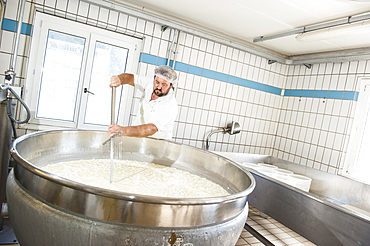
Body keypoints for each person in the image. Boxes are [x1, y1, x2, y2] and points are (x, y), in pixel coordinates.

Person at [108, 65, 178, 140]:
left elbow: (151, 129)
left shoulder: (169, 105)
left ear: (170, 86)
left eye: (164, 84)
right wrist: (119, 79)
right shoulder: (149, 84)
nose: (159, 87)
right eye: (157, 82)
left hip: (157, 144)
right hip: (138, 137)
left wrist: (124, 130)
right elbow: (131, 78)